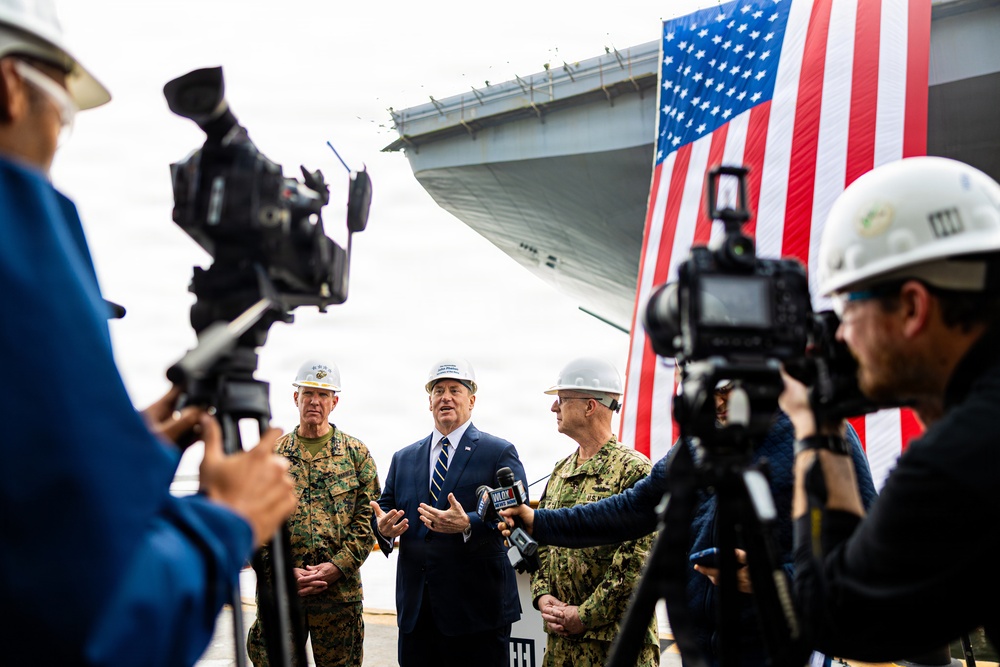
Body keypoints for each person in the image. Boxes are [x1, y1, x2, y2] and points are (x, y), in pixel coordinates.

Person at [0, 2, 297, 666]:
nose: (55, 142)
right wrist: (225, 524)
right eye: (63, 117)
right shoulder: (15, 247)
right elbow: (89, 627)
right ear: (10, 88)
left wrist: (126, 454)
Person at [778, 155, 1000, 661]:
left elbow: (839, 617)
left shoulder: (958, 458)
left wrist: (817, 429)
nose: (839, 334)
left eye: (849, 307)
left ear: (913, 307)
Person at [501, 372, 877, 665]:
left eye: (728, 387)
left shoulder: (820, 435)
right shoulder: (698, 441)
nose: (717, 401)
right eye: (705, 386)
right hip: (702, 647)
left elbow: (862, 552)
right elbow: (635, 507)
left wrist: (773, 578)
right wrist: (540, 522)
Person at [370, 357, 525, 667]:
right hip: (417, 614)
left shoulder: (498, 452)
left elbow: (516, 511)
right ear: (429, 402)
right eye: (438, 390)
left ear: (472, 400)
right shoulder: (404, 458)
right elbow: (384, 508)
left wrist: (468, 522)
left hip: (476, 614)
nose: (446, 397)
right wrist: (383, 529)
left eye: (455, 389)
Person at [248, 360, 380, 667]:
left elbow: (367, 522)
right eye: (308, 393)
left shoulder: (356, 454)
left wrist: (336, 567)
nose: (314, 401)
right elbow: (253, 524)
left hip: (338, 598)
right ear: (296, 398)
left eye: (323, 395)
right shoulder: (271, 455)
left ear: (335, 402)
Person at [533, 358, 660, 667]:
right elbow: (542, 542)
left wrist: (585, 615)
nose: (554, 408)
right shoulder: (560, 471)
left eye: (561, 400)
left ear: (590, 406)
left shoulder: (634, 470)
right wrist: (543, 596)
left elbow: (637, 562)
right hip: (562, 646)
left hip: (616, 643)